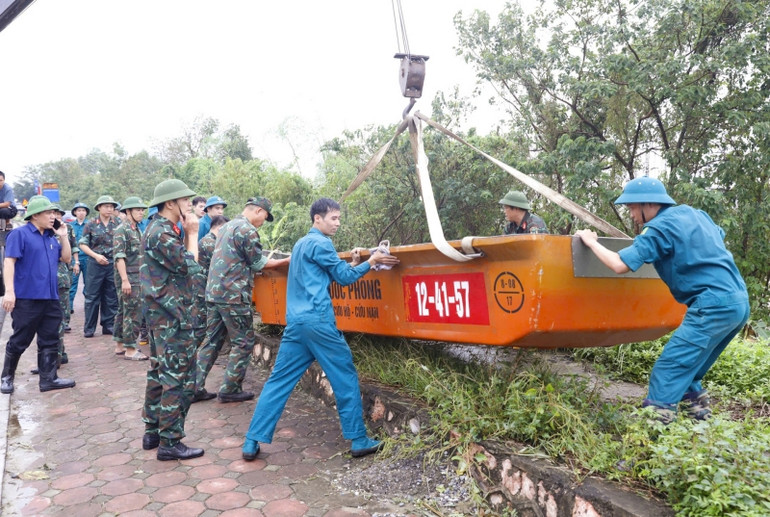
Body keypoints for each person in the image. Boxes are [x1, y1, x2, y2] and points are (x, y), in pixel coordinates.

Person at [575, 177, 750, 424]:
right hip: (738, 303)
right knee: (689, 370)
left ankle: (652, 440)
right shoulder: (695, 214)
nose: (632, 215)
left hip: (710, 306)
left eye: (632, 208)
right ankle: (699, 430)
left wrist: (591, 242)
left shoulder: (657, 229)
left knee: (669, 370)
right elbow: (715, 237)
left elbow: (619, 264)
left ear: (647, 204)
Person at [241, 197, 400, 461]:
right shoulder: (322, 243)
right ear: (318, 218)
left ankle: (251, 440)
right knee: (344, 376)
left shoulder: (302, 244)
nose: (338, 223)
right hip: (318, 323)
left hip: (296, 325)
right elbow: (345, 279)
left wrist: (356, 261)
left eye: (339, 218)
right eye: (333, 218)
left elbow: (328, 274)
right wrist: (372, 261)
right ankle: (359, 440)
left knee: (278, 382)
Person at [195, 198, 290, 403]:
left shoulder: (227, 226)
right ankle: (230, 388)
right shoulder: (246, 230)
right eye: (265, 216)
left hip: (214, 293)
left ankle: (193, 386)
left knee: (211, 341)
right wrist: (286, 261)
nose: (264, 221)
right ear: (258, 211)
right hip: (233, 295)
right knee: (243, 341)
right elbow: (258, 263)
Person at [140, 178, 204, 461]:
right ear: (170, 203)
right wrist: (193, 234)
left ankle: (153, 431)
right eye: (186, 201)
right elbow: (192, 268)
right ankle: (170, 441)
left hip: (162, 316)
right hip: (172, 316)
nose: (190, 205)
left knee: (158, 373)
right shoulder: (163, 234)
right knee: (179, 378)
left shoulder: (157, 228)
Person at [1, 195, 76, 394]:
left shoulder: (51, 238)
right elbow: (9, 262)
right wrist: (9, 292)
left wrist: (63, 235)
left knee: (50, 339)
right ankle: (7, 377)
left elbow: (66, 258)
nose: (53, 216)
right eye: (48, 213)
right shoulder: (20, 235)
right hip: (27, 298)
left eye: (54, 213)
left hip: (51, 298)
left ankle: (48, 379)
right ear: (35, 216)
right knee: (20, 339)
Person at [188, 214, 228, 403]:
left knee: (205, 335)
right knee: (203, 334)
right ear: (220, 228)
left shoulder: (208, 241)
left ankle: (194, 383)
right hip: (204, 293)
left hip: (206, 292)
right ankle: (191, 381)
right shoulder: (210, 244)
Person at [78, 195, 121, 338]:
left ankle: (108, 325)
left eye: (112, 206)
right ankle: (89, 328)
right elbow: (82, 244)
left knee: (111, 296)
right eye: (106, 206)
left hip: (111, 263)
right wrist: (96, 256)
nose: (110, 209)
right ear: (99, 208)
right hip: (95, 263)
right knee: (92, 296)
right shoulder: (91, 224)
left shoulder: (117, 223)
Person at [113, 197, 149, 361]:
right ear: (128, 211)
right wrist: (125, 280)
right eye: (137, 210)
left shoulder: (136, 229)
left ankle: (120, 344)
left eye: (142, 209)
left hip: (136, 275)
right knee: (132, 312)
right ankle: (130, 348)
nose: (141, 212)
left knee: (124, 310)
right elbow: (119, 257)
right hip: (128, 277)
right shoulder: (123, 230)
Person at [68, 202, 90, 313]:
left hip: (88, 258)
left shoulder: (90, 224)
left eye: (83, 210)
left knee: (89, 284)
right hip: (74, 258)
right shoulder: (70, 226)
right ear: (75, 212)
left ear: (86, 212)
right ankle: (69, 307)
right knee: (72, 284)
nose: (81, 213)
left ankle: (88, 307)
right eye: (79, 210)